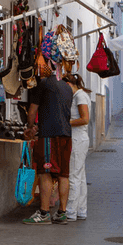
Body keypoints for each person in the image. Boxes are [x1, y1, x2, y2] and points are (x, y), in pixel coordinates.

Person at [22, 54, 74, 225]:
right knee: (63, 174)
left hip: (49, 135)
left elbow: (32, 112)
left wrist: (30, 127)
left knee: (45, 173)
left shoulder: (43, 84)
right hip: (66, 134)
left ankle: (44, 213)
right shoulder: (67, 87)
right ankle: (62, 213)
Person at [63, 73, 91, 221]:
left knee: (73, 175)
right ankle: (81, 210)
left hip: (77, 138)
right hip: (80, 138)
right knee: (80, 176)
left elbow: (85, 119)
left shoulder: (79, 96)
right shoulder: (80, 95)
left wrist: (66, 123)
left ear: (69, 84)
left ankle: (70, 211)